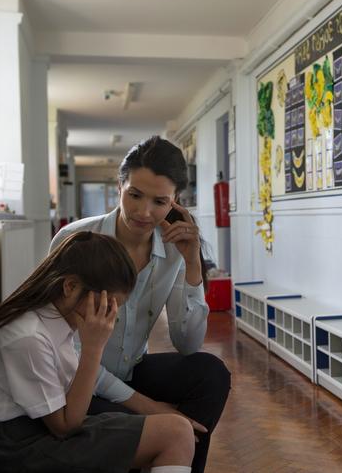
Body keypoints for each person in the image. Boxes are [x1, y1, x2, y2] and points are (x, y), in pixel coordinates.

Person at [49, 136, 231, 473]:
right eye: (134, 195)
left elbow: (187, 343)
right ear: (119, 185)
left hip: (130, 371)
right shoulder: (76, 242)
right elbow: (66, 353)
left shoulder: (175, 248)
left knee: (211, 373)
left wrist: (192, 264)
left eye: (159, 201)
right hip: (79, 384)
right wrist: (149, 406)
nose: (143, 212)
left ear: (176, 203)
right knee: (144, 424)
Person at [0, 231, 196, 473]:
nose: (112, 315)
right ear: (70, 286)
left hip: (36, 428)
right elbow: (65, 426)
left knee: (175, 429)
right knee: (174, 434)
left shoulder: (53, 318)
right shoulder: (28, 337)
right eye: (106, 304)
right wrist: (93, 348)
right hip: (17, 446)